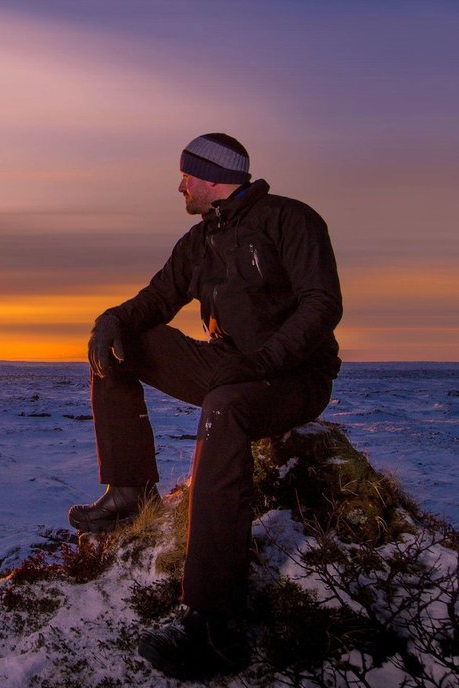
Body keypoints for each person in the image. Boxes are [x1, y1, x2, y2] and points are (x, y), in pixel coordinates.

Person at [67, 133, 342, 680]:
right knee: (123, 345)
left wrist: (263, 361)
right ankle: (129, 490)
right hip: (229, 368)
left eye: (186, 176)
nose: (180, 185)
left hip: (292, 376)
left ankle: (214, 623)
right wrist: (112, 319)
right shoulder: (199, 241)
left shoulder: (292, 221)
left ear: (212, 177)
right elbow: (156, 299)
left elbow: (321, 306)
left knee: (225, 409)